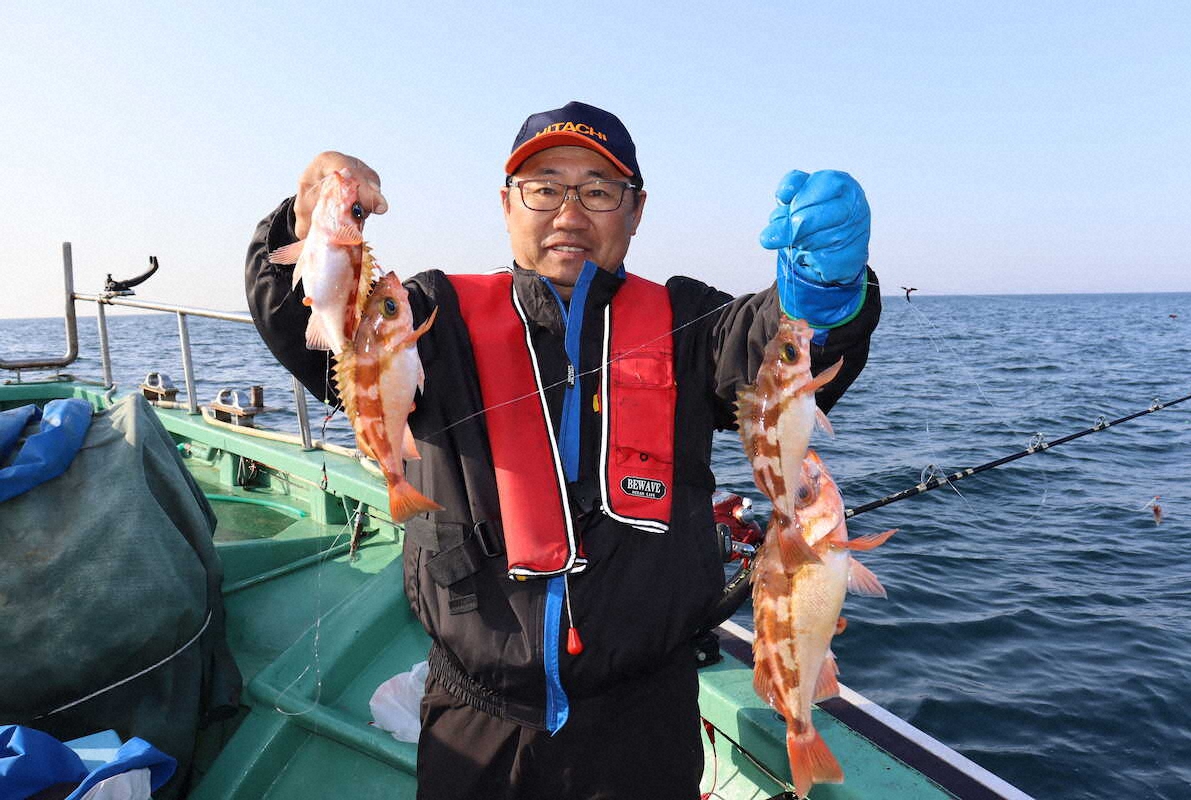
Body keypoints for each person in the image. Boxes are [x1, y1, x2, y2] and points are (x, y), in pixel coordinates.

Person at [245, 101, 880, 800]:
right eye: (544, 188)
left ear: (636, 211)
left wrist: (825, 293)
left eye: (599, 191)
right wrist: (308, 223)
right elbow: (314, 321)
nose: (569, 214)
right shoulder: (432, 315)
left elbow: (773, 347)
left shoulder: (688, 322)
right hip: (473, 716)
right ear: (506, 205)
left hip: (645, 722)